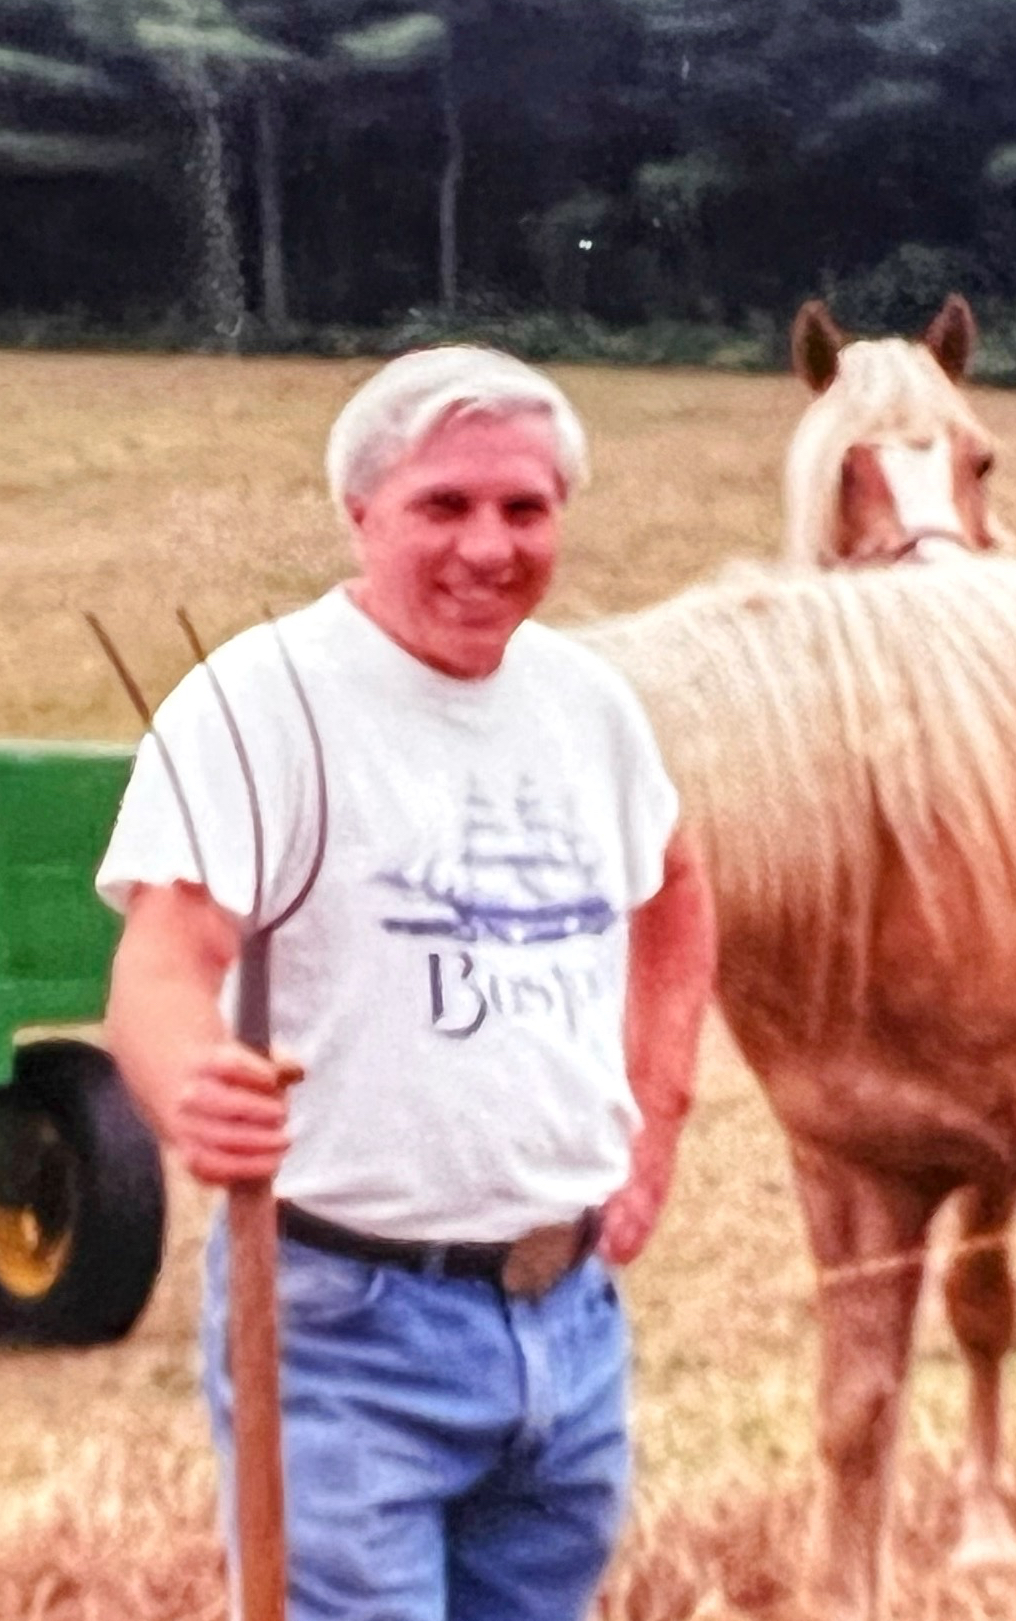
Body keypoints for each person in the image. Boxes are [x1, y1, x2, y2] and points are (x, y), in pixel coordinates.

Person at [98, 345, 715, 1621]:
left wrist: (656, 1111)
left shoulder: (587, 706)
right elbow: (163, 962)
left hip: (569, 1320)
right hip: (341, 1329)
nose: (488, 546)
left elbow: (675, 881)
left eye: (523, 508)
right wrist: (187, 1085)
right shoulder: (262, 703)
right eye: (444, 506)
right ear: (361, 512)